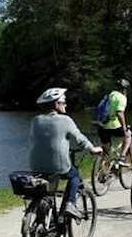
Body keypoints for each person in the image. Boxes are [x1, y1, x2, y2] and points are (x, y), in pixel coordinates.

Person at [30, 88, 102, 217]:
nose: (66, 104)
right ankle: (70, 203)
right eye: (63, 102)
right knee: (74, 176)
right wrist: (93, 149)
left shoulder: (35, 121)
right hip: (58, 166)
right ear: (56, 104)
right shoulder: (65, 120)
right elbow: (80, 139)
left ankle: (42, 216)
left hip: (35, 166)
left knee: (47, 190)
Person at [95, 79, 132, 167]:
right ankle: (122, 157)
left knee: (106, 151)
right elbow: (120, 113)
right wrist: (124, 128)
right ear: (125, 89)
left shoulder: (109, 95)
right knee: (128, 136)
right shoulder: (121, 97)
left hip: (101, 125)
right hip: (113, 125)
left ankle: (102, 171)